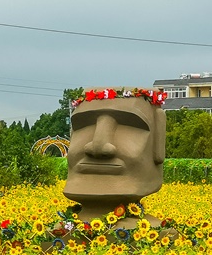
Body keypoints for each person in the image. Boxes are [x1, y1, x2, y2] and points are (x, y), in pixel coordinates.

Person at [63, 88, 166, 226]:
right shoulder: (55, 231)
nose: (97, 147)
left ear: (158, 144)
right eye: (83, 125)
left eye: (129, 125)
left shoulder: (154, 234)